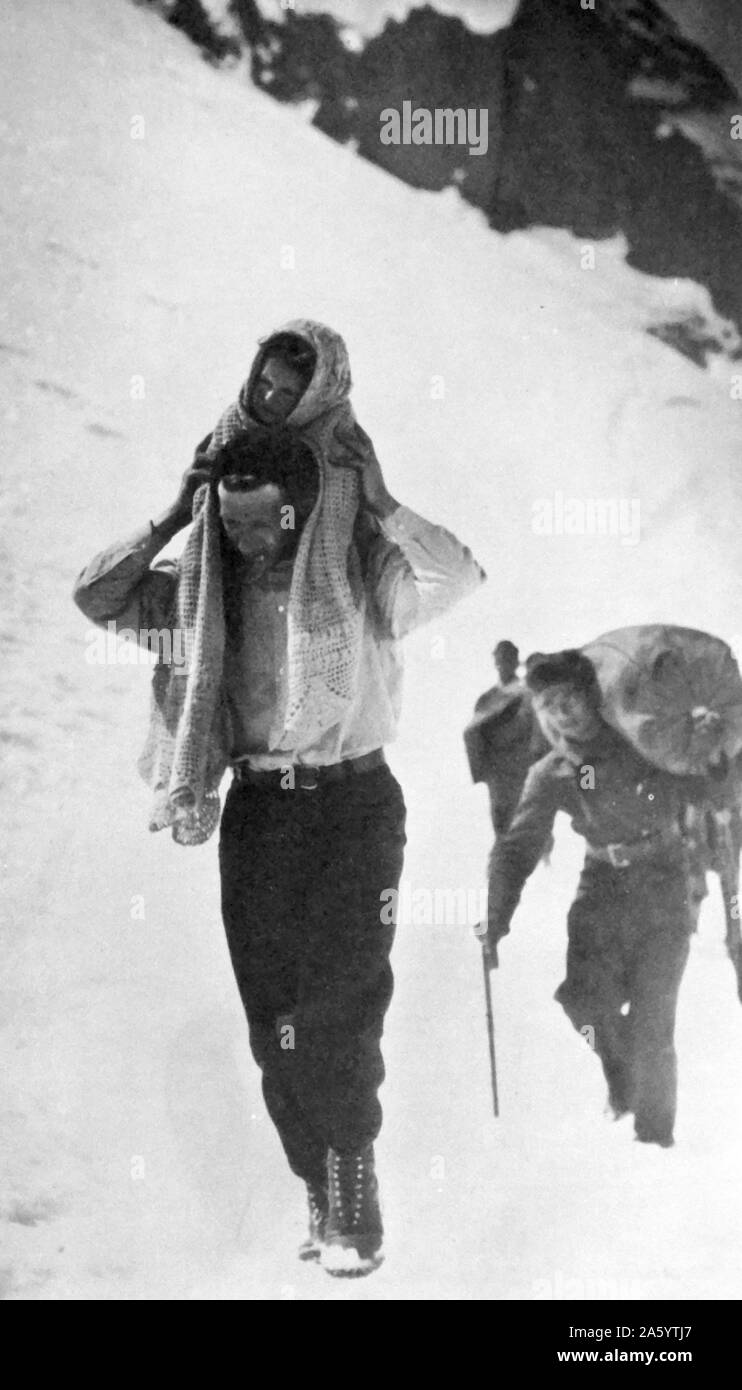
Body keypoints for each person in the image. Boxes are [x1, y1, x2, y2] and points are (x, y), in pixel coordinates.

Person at [74, 320, 484, 1275]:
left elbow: (456, 577)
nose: (251, 537)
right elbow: (96, 597)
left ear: (305, 513)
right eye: (234, 520)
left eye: (268, 521)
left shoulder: (360, 577)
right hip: (261, 816)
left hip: (354, 808)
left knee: (344, 1001)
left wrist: (378, 500)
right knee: (276, 1022)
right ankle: (320, 1181)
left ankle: (354, 1192)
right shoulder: (196, 600)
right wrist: (178, 515)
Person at [479, 650, 704, 1147]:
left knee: (653, 1018)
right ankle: (623, 1076)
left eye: (570, 699)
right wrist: (494, 918)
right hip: (601, 885)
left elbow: (703, 777)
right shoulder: (551, 772)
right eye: (548, 704)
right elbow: (516, 848)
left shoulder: (644, 740)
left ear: (593, 696)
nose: (561, 713)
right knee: (584, 1003)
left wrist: (711, 748)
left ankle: (655, 1135)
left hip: (664, 882)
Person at [464, 640, 546, 838]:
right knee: (501, 822)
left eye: (508, 659)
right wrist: (483, 769)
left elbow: (539, 727)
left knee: (528, 819)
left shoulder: (527, 692)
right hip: (498, 771)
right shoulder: (487, 698)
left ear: (516, 661)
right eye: (499, 659)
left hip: (522, 765)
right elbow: (475, 732)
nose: (503, 663)